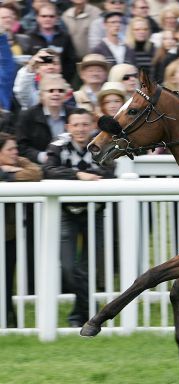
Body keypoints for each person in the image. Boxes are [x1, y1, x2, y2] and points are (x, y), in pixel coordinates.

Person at [43, 108, 115, 327]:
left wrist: (90, 176)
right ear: (68, 127)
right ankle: (89, 311)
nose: (81, 129)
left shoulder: (100, 143)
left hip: (95, 213)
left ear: (91, 126)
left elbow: (110, 170)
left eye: (85, 124)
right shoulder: (58, 145)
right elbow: (47, 170)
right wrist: (78, 176)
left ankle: (79, 315)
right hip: (67, 213)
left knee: (87, 267)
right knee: (68, 267)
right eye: (76, 125)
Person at [0, 133, 42, 328]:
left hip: (8, 234)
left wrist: (10, 173)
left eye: (16, 148)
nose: (15, 152)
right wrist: (6, 174)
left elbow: (35, 172)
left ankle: (9, 319)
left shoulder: (19, 161)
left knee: (7, 279)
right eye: (10, 149)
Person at [16, 74, 72, 165]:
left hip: (69, 168)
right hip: (39, 169)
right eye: (51, 91)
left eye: (60, 91)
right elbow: (21, 147)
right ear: (41, 95)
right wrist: (41, 156)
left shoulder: (74, 114)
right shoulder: (28, 116)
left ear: (66, 95)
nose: (56, 94)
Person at [25, 3, 77, 83]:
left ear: (57, 18)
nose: (47, 19)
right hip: (34, 83)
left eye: (51, 16)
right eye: (44, 16)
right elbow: (27, 60)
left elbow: (71, 62)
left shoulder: (65, 37)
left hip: (59, 82)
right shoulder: (29, 36)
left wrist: (63, 80)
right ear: (37, 17)